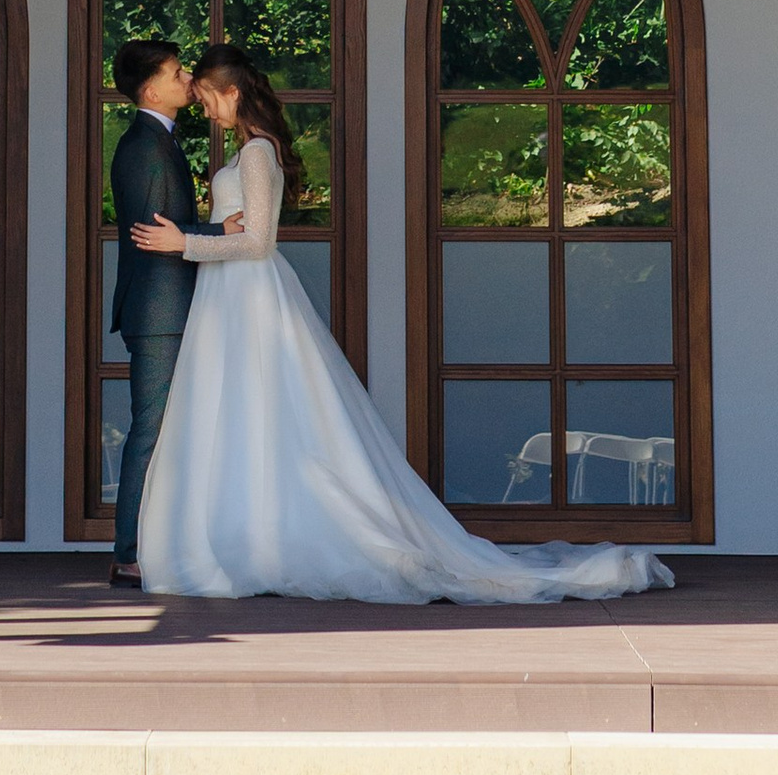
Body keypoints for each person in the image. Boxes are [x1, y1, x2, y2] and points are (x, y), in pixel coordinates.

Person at [128, 42, 675, 605]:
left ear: (232, 93)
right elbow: (245, 227)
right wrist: (213, 229)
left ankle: (276, 538)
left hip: (249, 295)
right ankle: (251, 533)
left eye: (207, 97)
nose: (202, 106)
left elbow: (262, 241)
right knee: (245, 417)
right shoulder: (246, 154)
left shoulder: (259, 154)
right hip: (229, 297)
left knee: (273, 416)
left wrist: (184, 242)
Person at [106, 39, 198, 589]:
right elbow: (154, 236)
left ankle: (156, 543)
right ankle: (129, 554)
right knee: (151, 428)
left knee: (166, 428)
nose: (187, 77)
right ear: (151, 89)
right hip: (160, 309)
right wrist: (224, 232)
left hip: (171, 307)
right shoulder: (142, 146)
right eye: (177, 71)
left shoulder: (159, 140)